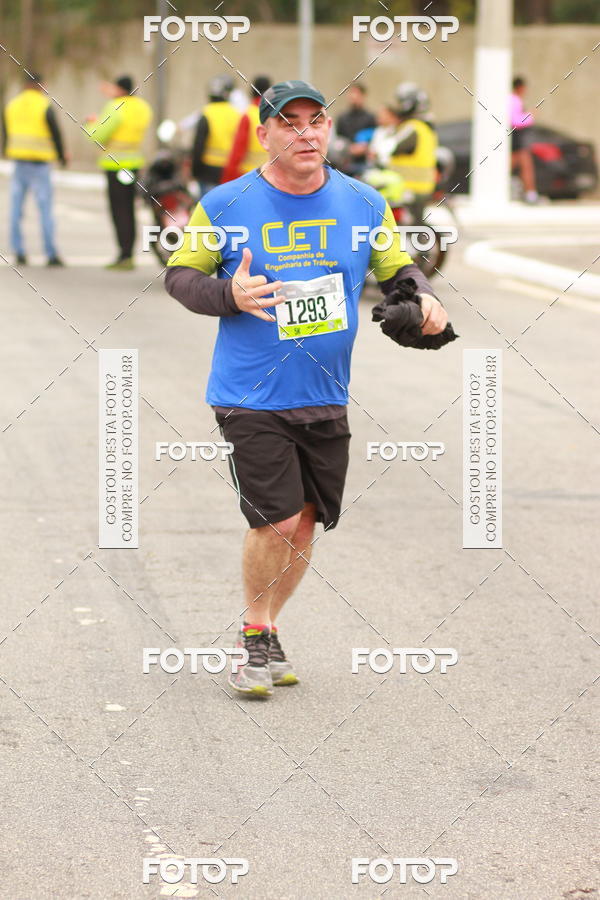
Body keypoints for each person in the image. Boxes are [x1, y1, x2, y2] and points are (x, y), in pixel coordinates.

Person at [164, 80, 448, 697]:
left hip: (325, 392)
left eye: (315, 121)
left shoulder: (365, 203)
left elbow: (398, 269)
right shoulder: (227, 202)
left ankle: (266, 628)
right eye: (287, 123)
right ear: (263, 134)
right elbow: (180, 276)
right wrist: (226, 294)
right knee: (277, 519)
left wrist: (424, 302)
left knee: (307, 523)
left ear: (328, 130)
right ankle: (250, 641)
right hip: (249, 392)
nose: (304, 132)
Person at [84, 76, 153, 270]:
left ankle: (124, 255)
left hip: (115, 166)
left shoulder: (115, 107)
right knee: (130, 209)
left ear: (119, 89)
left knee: (119, 210)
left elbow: (96, 134)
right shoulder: (143, 107)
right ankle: (129, 252)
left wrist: (90, 123)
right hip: (134, 164)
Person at [2, 71, 67, 266]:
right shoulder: (44, 105)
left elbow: (5, 132)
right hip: (40, 165)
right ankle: (50, 253)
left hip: (19, 162)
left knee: (15, 210)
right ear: (39, 85)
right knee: (45, 209)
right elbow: (55, 133)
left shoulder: (11, 105)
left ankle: (19, 251)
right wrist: (62, 156)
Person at [384, 82, 438, 223]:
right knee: (416, 224)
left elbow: (389, 148)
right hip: (422, 186)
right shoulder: (425, 128)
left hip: (408, 187)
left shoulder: (412, 128)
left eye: (400, 102)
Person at [191, 75, 241, 195]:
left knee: (208, 211)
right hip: (228, 170)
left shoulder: (206, 113)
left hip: (208, 171)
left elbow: (198, 145)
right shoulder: (236, 114)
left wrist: (195, 171)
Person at [221, 75, 271, 184]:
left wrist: (227, 179)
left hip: (249, 175)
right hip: (271, 175)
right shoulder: (275, 116)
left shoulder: (248, 115)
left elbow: (238, 150)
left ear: (252, 91)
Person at [336, 82, 377, 176]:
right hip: (345, 163)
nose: (353, 96)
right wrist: (348, 149)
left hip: (364, 164)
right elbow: (339, 140)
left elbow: (374, 139)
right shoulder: (342, 118)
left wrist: (365, 148)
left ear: (363, 96)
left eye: (356, 93)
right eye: (351, 93)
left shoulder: (370, 117)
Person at [510, 76, 539, 204]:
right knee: (525, 165)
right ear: (520, 87)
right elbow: (514, 121)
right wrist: (530, 115)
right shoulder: (514, 100)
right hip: (516, 137)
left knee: (523, 165)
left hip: (516, 138)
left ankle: (530, 194)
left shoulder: (514, 100)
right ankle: (530, 194)